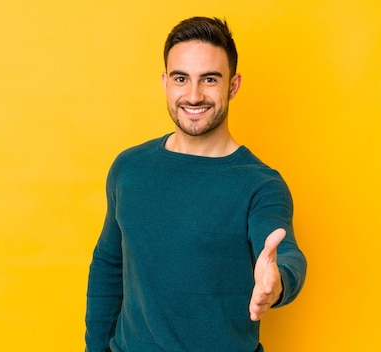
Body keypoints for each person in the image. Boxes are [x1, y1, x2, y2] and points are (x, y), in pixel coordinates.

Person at [85, 16, 307, 352]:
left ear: (233, 85)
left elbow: (285, 252)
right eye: (180, 78)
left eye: (209, 79)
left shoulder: (261, 184)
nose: (193, 95)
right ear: (165, 82)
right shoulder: (129, 168)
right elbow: (108, 265)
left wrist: (277, 283)